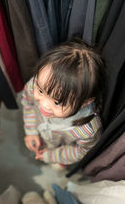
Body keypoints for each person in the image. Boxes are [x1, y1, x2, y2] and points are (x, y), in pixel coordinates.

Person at [21, 38, 105, 168]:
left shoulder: (87, 130)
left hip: (62, 149)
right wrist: (31, 131)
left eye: (57, 102)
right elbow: (28, 103)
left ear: (85, 102)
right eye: (41, 91)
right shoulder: (36, 84)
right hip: (41, 131)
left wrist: (51, 156)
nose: (44, 104)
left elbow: (81, 151)